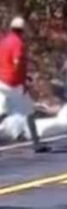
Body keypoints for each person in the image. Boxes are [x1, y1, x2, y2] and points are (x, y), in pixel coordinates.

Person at [0, 17, 46, 152]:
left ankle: (37, 143)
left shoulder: (4, 42)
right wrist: (22, 80)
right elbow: (17, 62)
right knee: (29, 112)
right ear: (22, 30)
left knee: (2, 112)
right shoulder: (18, 43)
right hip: (13, 83)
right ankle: (36, 144)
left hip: (1, 81)